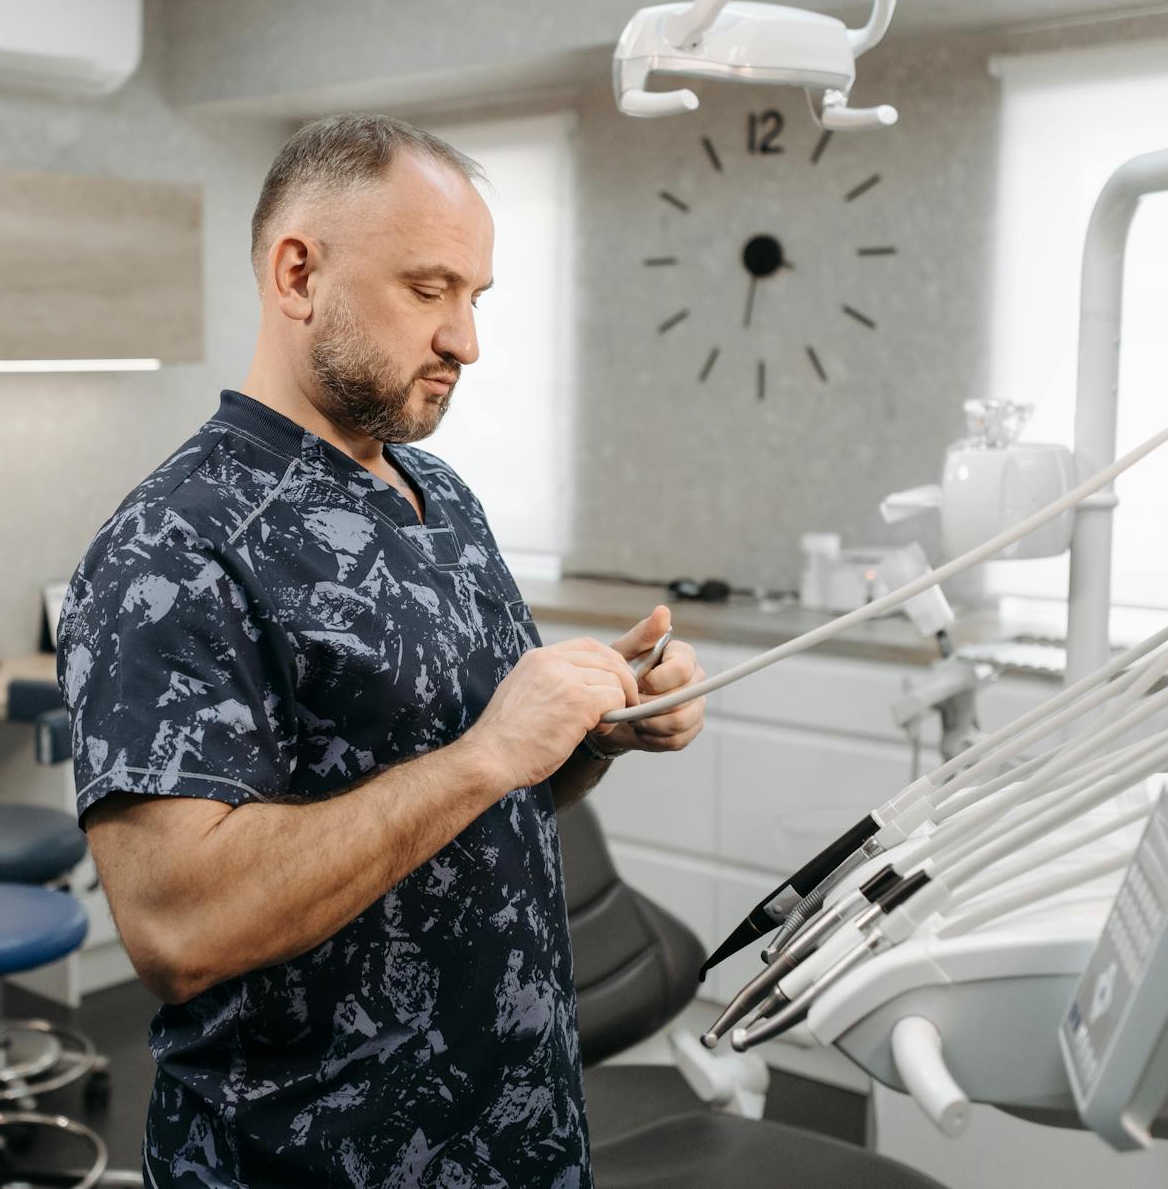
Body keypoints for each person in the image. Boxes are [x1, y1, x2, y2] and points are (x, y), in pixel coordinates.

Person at [58, 112, 707, 1187]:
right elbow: (178, 926)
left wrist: (599, 730)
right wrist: (488, 753)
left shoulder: (438, 495)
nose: (467, 339)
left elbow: (492, 799)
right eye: (429, 289)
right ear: (299, 274)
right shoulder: (172, 548)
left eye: (476, 298)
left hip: (517, 1131)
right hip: (318, 1159)